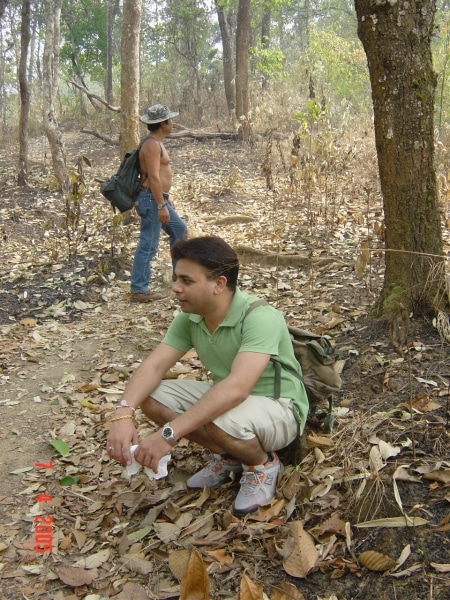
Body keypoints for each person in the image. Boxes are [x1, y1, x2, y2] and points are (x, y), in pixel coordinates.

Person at [107, 236, 309, 515]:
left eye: (187, 281)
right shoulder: (190, 318)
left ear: (219, 284)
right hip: (235, 404)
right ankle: (229, 456)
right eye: (176, 278)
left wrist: (167, 434)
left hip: (279, 406)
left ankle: (262, 465)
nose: (176, 288)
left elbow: (238, 387)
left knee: (220, 419)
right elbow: (153, 367)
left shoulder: (259, 317)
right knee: (150, 397)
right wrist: (123, 413)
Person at [130, 104, 188, 303]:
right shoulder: (152, 145)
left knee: (179, 230)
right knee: (149, 243)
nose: (172, 123)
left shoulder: (156, 142)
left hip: (157, 197)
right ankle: (139, 288)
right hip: (151, 199)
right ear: (163, 124)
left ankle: (179, 274)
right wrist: (160, 205)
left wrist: (165, 196)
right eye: (170, 120)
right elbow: (153, 176)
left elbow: (157, 178)